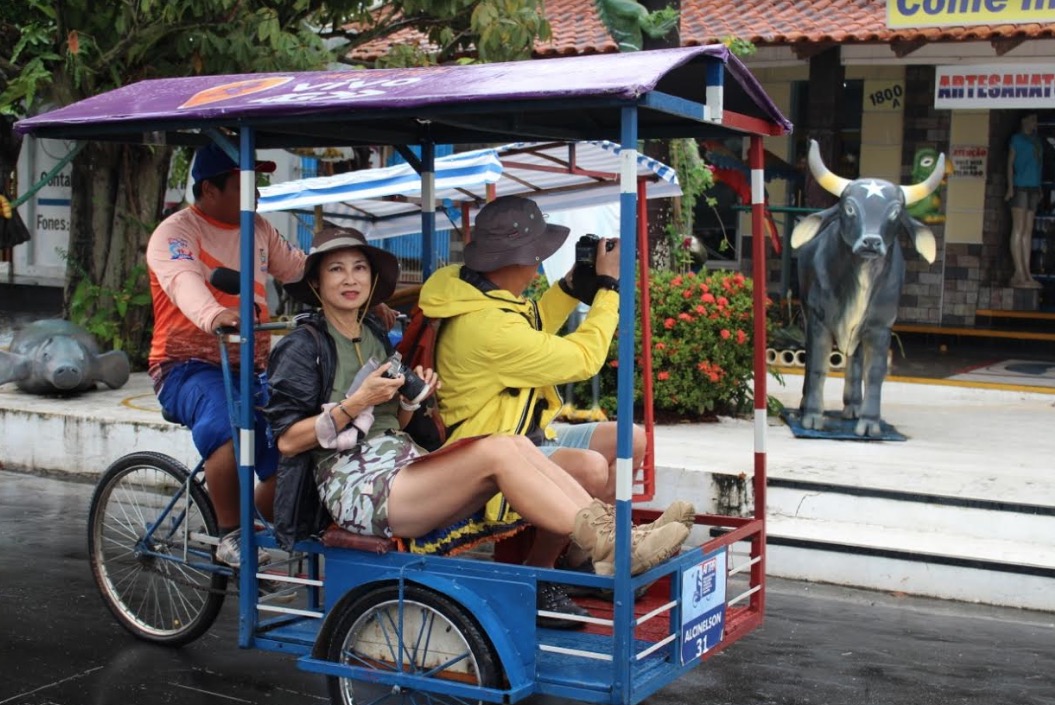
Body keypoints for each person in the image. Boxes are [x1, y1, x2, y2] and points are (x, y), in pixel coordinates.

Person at [263, 227, 692, 626]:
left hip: (403, 464)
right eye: (336, 269)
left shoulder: (375, 334)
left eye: (359, 268)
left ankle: (615, 538)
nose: (350, 279)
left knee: (509, 442)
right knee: (500, 448)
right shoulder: (303, 346)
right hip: (359, 488)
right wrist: (358, 402)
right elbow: (287, 440)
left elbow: (400, 425)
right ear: (317, 283)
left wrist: (411, 400)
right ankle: (616, 548)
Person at [417, 195, 694, 610]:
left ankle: (583, 560)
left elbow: (533, 324)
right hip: (482, 459)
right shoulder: (487, 326)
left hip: (522, 432)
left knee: (628, 439)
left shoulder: (478, 290)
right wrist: (609, 289)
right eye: (537, 254)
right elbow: (584, 359)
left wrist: (570, 287)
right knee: (590, 466)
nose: (539, 263)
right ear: (517, 259)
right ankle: (542, 576)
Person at [146, 143, 306, 569]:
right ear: (209, 189)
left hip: (250, 364)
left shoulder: (260, 230)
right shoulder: (176, 233)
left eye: (257, 182)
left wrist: (354, 295)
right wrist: (216, 314)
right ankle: (229, 534)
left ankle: (255, 521)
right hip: (186, 366)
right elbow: (184, 282)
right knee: (227, 424)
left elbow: (299, 272)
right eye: (243, 184)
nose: (254, 193)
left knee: (294, 441)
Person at [1005, 113, 1044, 289]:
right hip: (1020, 185)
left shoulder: (1037, 140)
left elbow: (1039, 165)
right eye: (1032, 119)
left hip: (1034, 186)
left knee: (1028, 230)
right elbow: (1010, 163)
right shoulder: (1017, 139)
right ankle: (1018, 271)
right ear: (1024, 121)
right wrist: (1010, 186)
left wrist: (1040, 186)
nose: (1035, 123)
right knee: (1019, 228)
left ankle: (1027, 272)